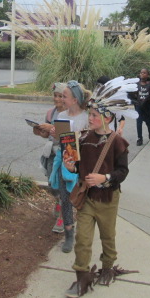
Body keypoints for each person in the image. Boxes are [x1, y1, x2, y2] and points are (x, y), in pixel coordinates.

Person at [62, 76, 137, 298]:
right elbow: (79, 166)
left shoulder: (117, 142)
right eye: (90, 114)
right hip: (87, 198)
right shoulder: (83, 138)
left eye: (95, 115)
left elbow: (122, 172)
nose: (91, 118)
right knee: (82, 239)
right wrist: (72, 166)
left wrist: (105, 177)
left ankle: (107, 267)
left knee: (107, 236)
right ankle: (82, 277)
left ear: (107, 117)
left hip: (108, 199)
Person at [53, 80, 91, 252]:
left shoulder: (86, 118)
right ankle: (69, 233)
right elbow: (59, 141)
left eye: (64, 96)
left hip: (82, 165)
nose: (61, 99)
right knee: (65, 198)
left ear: (75, 100)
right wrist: (54, 133)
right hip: (65, 162)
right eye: (61, 96)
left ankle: (84, 231)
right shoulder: (61, 116)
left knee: (82, 199)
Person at [33, 82, 67, 233]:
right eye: (55, 95)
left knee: (63, 185)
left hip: (66, 155)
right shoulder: (50, 113)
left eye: (61, 96)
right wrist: (40, 131)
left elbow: (67, 136)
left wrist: (52, 128)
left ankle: (63, 217)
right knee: (52, 184)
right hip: (51, 153)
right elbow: (47, 135)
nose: (57, 99)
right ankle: (58, 201)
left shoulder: (70, 113)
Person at [131, 68, 150, 146]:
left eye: (144, 73)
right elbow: (133, 95)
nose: (142, 74)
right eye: (141, 73)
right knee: (139, 122)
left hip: (147, 107)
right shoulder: (136, 84)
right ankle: (139, 138)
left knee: (148, 121)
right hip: (139, 106)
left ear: (148, 75)